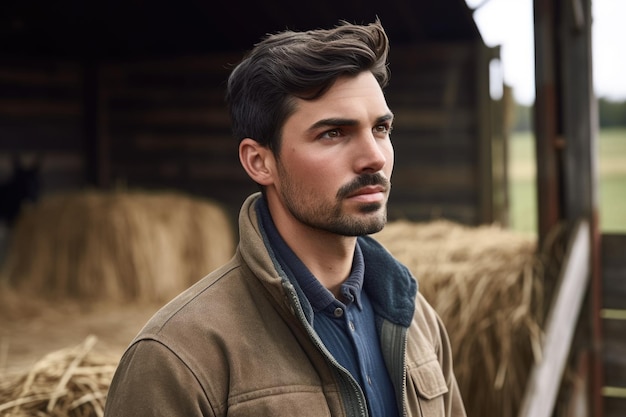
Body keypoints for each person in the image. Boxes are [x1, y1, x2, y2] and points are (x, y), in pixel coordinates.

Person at [104, 20, 466, 417]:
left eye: (381, 128)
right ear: (260, 162)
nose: (374, 157)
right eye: (333, 133)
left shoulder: (416, 320)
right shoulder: (179, 357)